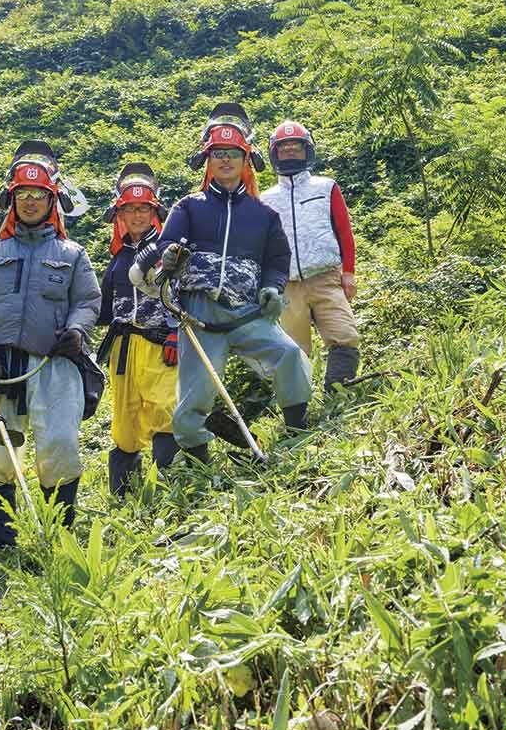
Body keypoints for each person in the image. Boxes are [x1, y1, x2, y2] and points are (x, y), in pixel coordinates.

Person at [133, 103, 312, 462]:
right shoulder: (189, 206)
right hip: (199, 317)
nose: (226, 161)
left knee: (290, 354)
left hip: (248, 313)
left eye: (233, 154)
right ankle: (201, 463)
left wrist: (273, 288)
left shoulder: (264, 215)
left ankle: (297, 434)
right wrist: (168, 257)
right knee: (195, 397)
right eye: (218, 154)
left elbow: (277, 261)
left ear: (247, 160)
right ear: (208, 161)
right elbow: (168, 243)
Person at [0, 144, 101, 548]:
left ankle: (60, 539)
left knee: (59, 446)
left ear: (52, 200)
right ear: (12, 201)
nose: (31, 203)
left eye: (39, 196)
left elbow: (88, 300)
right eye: (24, 196)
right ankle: (1, 545)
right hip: (0, 368)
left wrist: (76, 330)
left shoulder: (73, 254)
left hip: (54, 365)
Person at [98, 162, 180, 494]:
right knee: (125, 422)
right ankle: (124, 498)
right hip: (123, 347)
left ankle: (171, 489)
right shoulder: (117, 259)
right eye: (129, 210)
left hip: (161, 342)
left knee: (164, 410)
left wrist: (177, 331)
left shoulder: (169, 249)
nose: (137, 216)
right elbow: (102, 309)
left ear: (154, 210)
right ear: (120, 215)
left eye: (143, 208)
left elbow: (184, 290)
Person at [261, 119, 360, 392]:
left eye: (296, 147)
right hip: (287, 285)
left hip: (326, 277)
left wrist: (348, 272)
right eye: (284, 148)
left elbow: (344, 231)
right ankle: (299, 411)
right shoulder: (266, 199)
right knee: (294, 350)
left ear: (308, 151)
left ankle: (338, 397)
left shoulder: (326, 187)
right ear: (275, 153)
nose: (291, 152)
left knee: (344, 336)